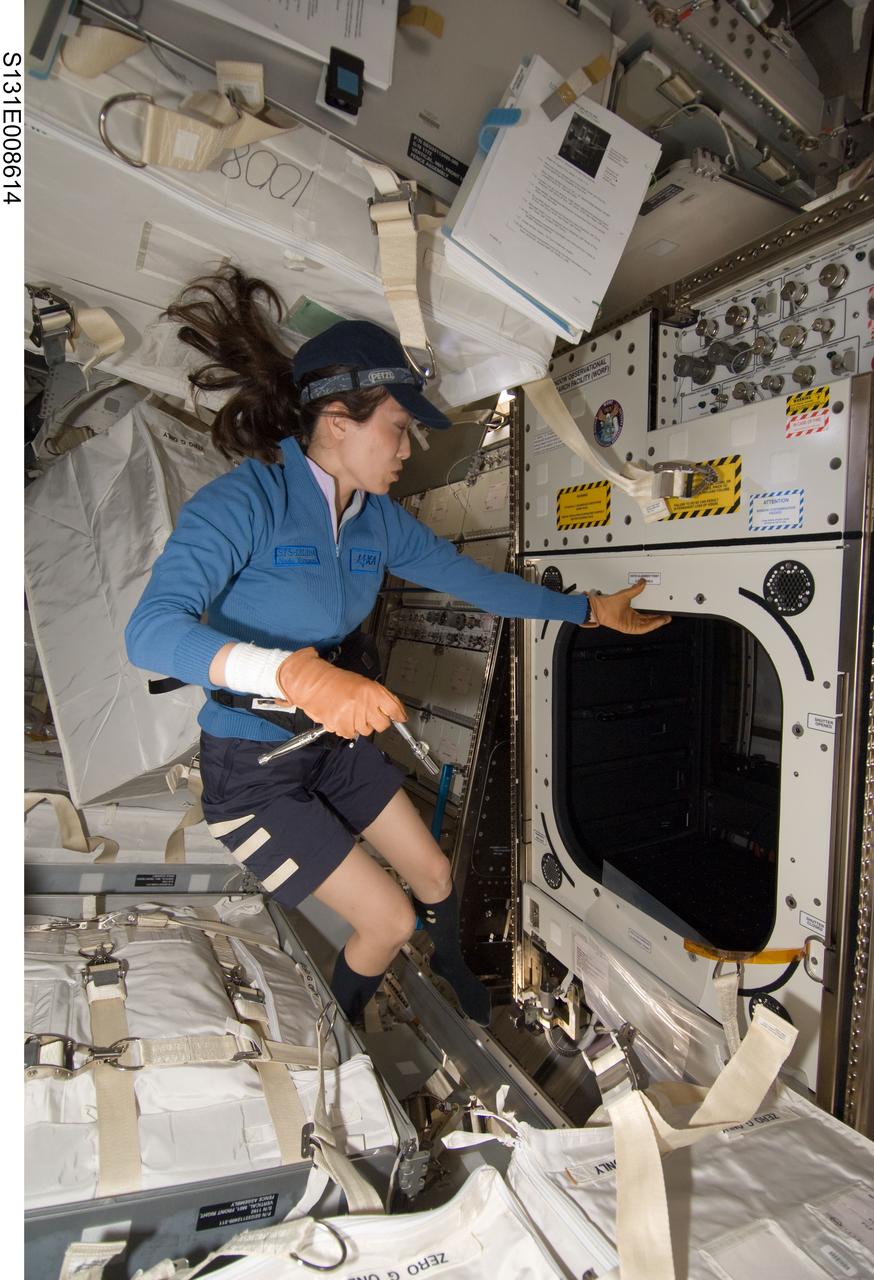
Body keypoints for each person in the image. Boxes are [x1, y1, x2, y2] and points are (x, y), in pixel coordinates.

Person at [125, 267, 671, 1028]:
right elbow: (149, 631)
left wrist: (587, 610)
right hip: (253, 768)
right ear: (338, 420)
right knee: (387, 922)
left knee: (436, 874)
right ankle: (343, 1043)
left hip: (330, 740)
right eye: (398, 426)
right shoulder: (245, 501)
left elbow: (474, 582)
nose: (408, 448)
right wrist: (295, 674)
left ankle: (449, 963)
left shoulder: (378, 520)